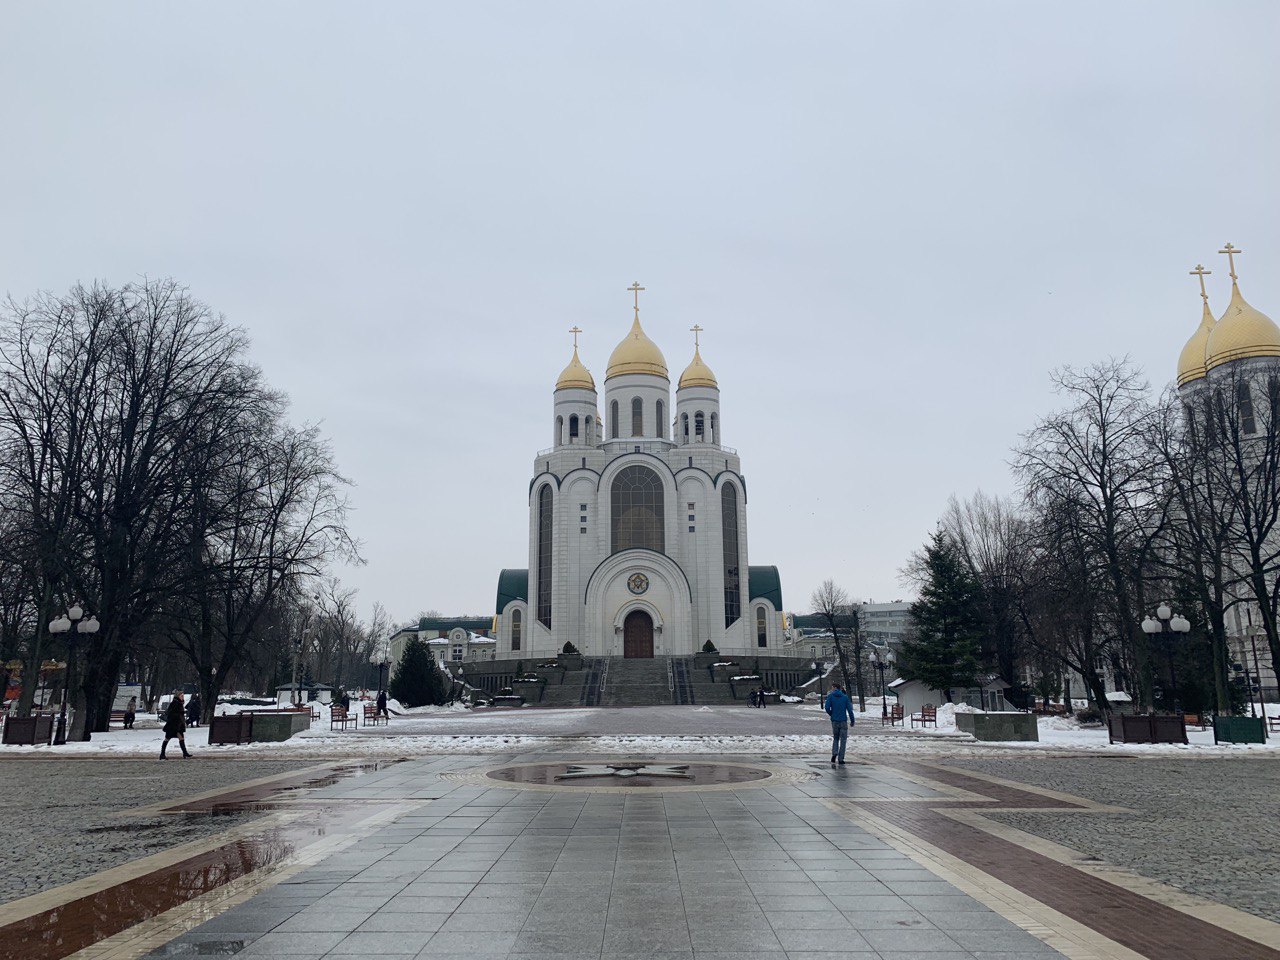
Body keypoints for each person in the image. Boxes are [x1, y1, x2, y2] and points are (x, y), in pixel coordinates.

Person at [824, 681, 856, 766]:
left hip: (834, 721)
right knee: (843, 740)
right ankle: (841, 758)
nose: (831, 689)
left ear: (835, 688)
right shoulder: (845, 697)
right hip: (843, 721)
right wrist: (852, 720)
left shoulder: (830, 696)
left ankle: (834, 753)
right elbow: (850, 710)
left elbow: (827, 707)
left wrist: (831, 714)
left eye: (832, 687)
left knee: (836, 738)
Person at [160, 692, 191, 760]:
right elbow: (171, 713)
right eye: (181, 696)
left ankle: (185, 753)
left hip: (178, 725)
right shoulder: (175, 703)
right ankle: (162, 754)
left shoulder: (179, 703)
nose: (182, 697)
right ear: (178, 696)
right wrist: (177, 718)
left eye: (183, 696)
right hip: (173, 725)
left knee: (181, 738)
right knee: (167, 738)